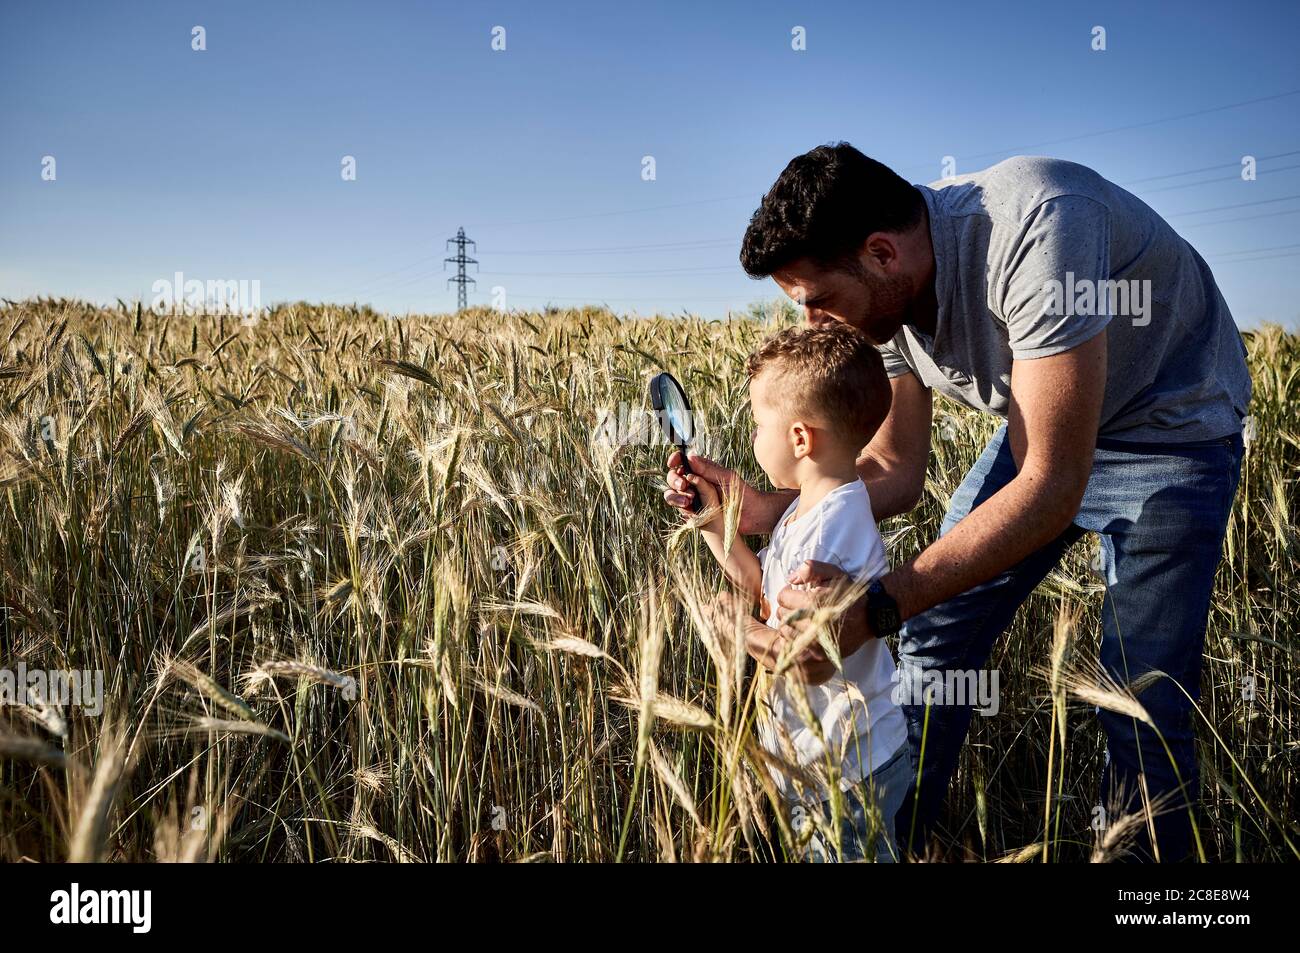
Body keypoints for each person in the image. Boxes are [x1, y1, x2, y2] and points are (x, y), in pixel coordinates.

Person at [666, 143, 1250, 861]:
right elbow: (892, 466)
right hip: (1051, 424)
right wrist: (765, 510)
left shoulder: (1040, 225)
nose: (812, 323)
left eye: (817, 300)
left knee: (1141, 694)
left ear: (882, 254)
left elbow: (1051, 487)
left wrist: (877, 605)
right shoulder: (878, 303)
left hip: (1171, 429)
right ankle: (892, 837)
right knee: (937, 626)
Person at [684, 323, 910, 862]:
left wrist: (735, 630)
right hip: (817, 759)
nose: (754, 436)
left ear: (801, 438)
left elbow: (810, 657)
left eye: (760, 424)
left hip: (849, 771)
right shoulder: (807, 508)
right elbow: (765, 589)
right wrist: (716, 521)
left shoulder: (836, 530)